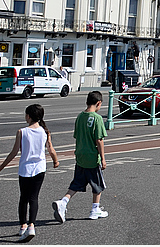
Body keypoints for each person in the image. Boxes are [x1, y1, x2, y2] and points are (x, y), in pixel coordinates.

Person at [0, 103, 60, 242]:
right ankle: (32, 226)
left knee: (23, 198)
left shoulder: (22, 132)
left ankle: (23, 226)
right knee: (34, 198)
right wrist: (55, 161)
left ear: (28, 116)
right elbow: (51, 149)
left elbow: (13, 153)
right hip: (40, 169)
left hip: (25, 169)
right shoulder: (45, 132)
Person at [52, 91, 108, 224]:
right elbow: (99, 140)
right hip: (92, 156)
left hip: (80, 155)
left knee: (77, 183)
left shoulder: (80, 117)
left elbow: (77, 136)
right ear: (98, 103)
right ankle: (95, 209)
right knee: (98, 184)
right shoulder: (97, 118)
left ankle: (63, 201)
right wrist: (103, 158)